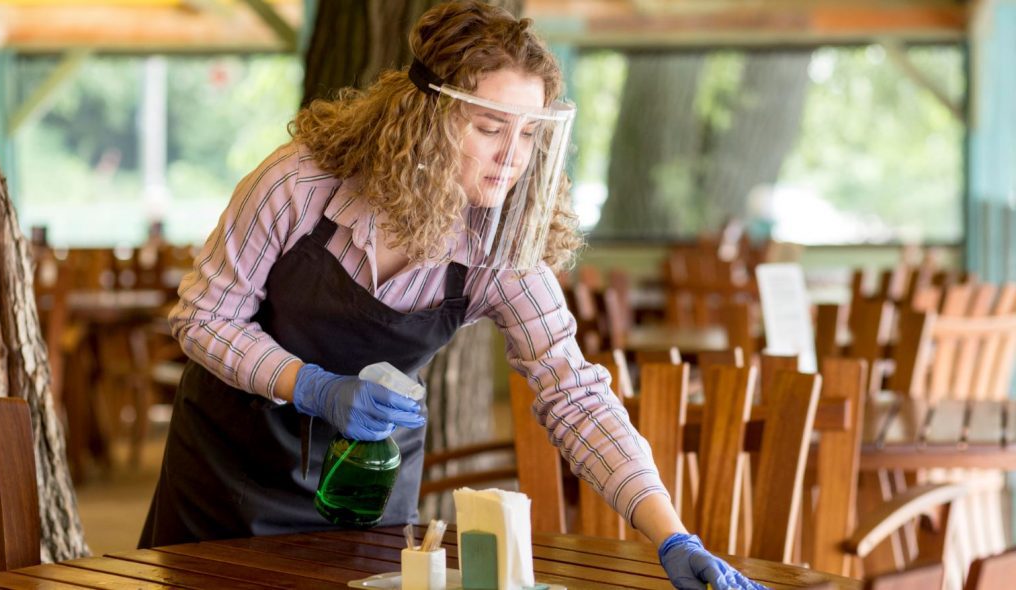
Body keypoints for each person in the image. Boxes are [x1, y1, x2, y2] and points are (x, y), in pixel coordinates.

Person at [139, 2, 765, 588]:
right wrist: (311, 386)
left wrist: (671, 535)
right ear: (425, 119)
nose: (512, 157)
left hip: (368, 493)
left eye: (528, 135)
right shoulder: (299, 185)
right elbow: (202, 318)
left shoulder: (501, 249)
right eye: (492, 128)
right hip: (225, 478)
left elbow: (573, 392)